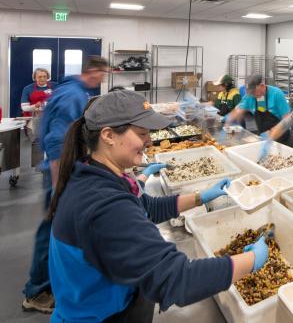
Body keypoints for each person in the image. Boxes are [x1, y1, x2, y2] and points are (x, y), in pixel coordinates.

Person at [48, 90, 268, 322]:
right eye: (142, 133)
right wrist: (252, 260)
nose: (149, 141)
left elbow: (147, 208)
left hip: (109, 303)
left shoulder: (95, 174)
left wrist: (200, 197)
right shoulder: (103, 204)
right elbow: (176, 279)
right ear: (108, 135)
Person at [22, 56, 108, 314]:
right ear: (93, 72)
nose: (103, 78)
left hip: (59, 168)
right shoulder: (73, 96)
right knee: (53, 227)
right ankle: (36, 291)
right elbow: (59, 142)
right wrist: (61, 188)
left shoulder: (69, 89)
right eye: (102, 73)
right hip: (59, 171)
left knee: (55, 227)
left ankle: (48, 284)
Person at [225, 74, 290, 143]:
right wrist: (228, 122)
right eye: (251, 92)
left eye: (254, 92)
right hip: (263, 136)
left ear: (262, 86)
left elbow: (287, 119)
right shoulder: (250, 96)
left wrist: (272, 132)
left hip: (280, 135)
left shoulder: (277, 94)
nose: (252, 95)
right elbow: (238, 110)